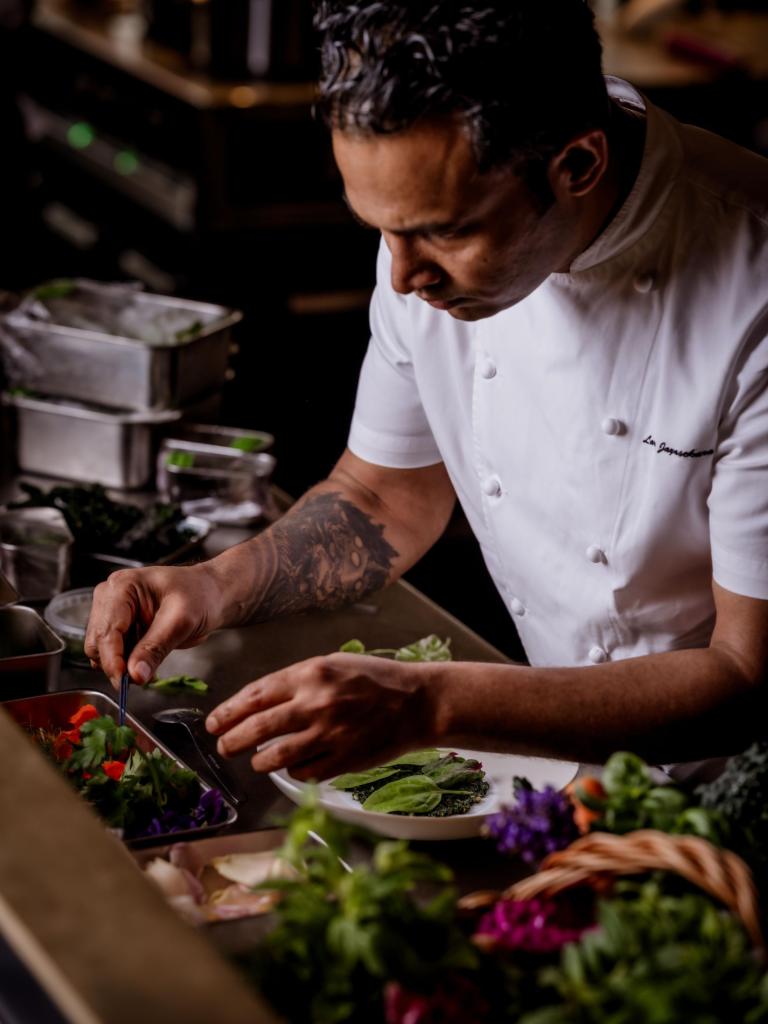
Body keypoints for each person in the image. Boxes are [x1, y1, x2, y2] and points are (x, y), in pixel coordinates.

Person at [85, 0, 768, 781]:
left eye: (446, 232)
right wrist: (213, 587)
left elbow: (747, 679)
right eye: (383, 229)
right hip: (574, 766)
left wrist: (428, 703)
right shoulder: (425, 227)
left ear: (578, 166)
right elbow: (384, 496)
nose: (405, 277)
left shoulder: (754, 294)